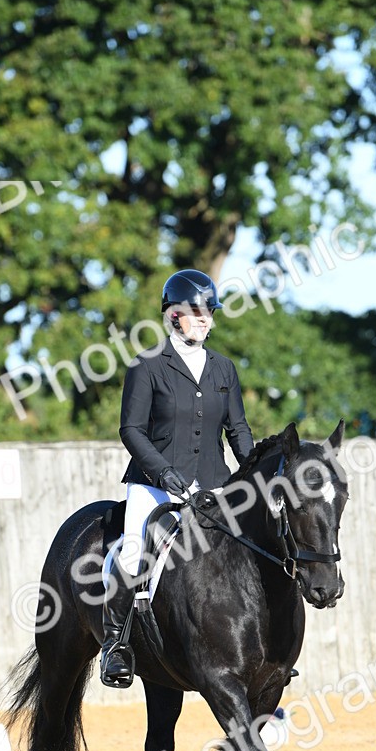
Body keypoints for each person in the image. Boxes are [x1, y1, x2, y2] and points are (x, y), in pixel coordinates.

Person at [100, 268, 255, 687]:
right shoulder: (148, 365)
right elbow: (131, 430)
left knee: (251, 549)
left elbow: (238, 429)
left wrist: (253, 470)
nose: (206, 320)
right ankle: (116, 646)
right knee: (133, 552)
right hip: (156, 484)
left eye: (209, 313)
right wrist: (163, 472)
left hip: (214, 484)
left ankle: (259, 647)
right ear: (173, 315)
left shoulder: (224, 369)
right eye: (197, 313)